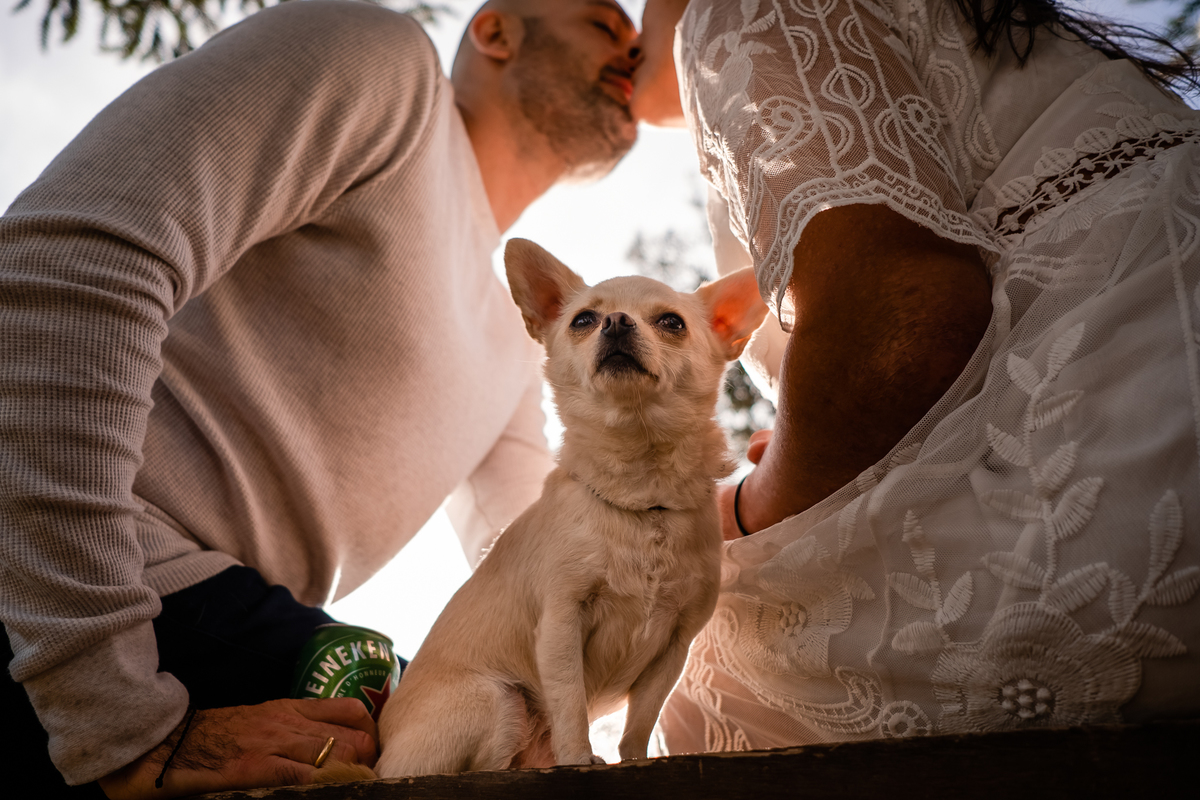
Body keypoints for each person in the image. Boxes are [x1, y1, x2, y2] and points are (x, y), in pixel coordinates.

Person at [0, 1, 641, 797]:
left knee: (492, 725)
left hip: (217, 616)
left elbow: (549, 555)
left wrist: (740, 517)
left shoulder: (517, 347)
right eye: (604, 23)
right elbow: (65, 267)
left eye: (639, 41)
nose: (633, 49)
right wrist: (115, 716)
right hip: (68, 581)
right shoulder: (388, 73)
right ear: (497, 31)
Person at [630, 0, 1200, 752]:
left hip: (1135, 454)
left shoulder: (737, 12)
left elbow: (896, 336)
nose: (625, 27)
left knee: (694, 665)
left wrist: (736, 513)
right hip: (1156, 383)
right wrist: (801, 462)